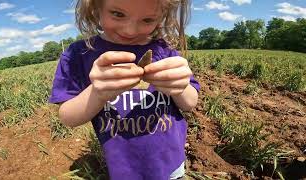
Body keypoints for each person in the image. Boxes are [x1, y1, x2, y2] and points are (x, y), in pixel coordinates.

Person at [49, 0, 200, 179]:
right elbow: (68, 117)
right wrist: (97, 93)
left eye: (147, 20)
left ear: (161, 17)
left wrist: (180, 87)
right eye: (118, 14)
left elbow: (190, 103)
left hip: (172, 165)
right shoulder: (78, 55)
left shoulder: (164, 50)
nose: (130, 30)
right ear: (96, 7)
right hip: (124, 169)